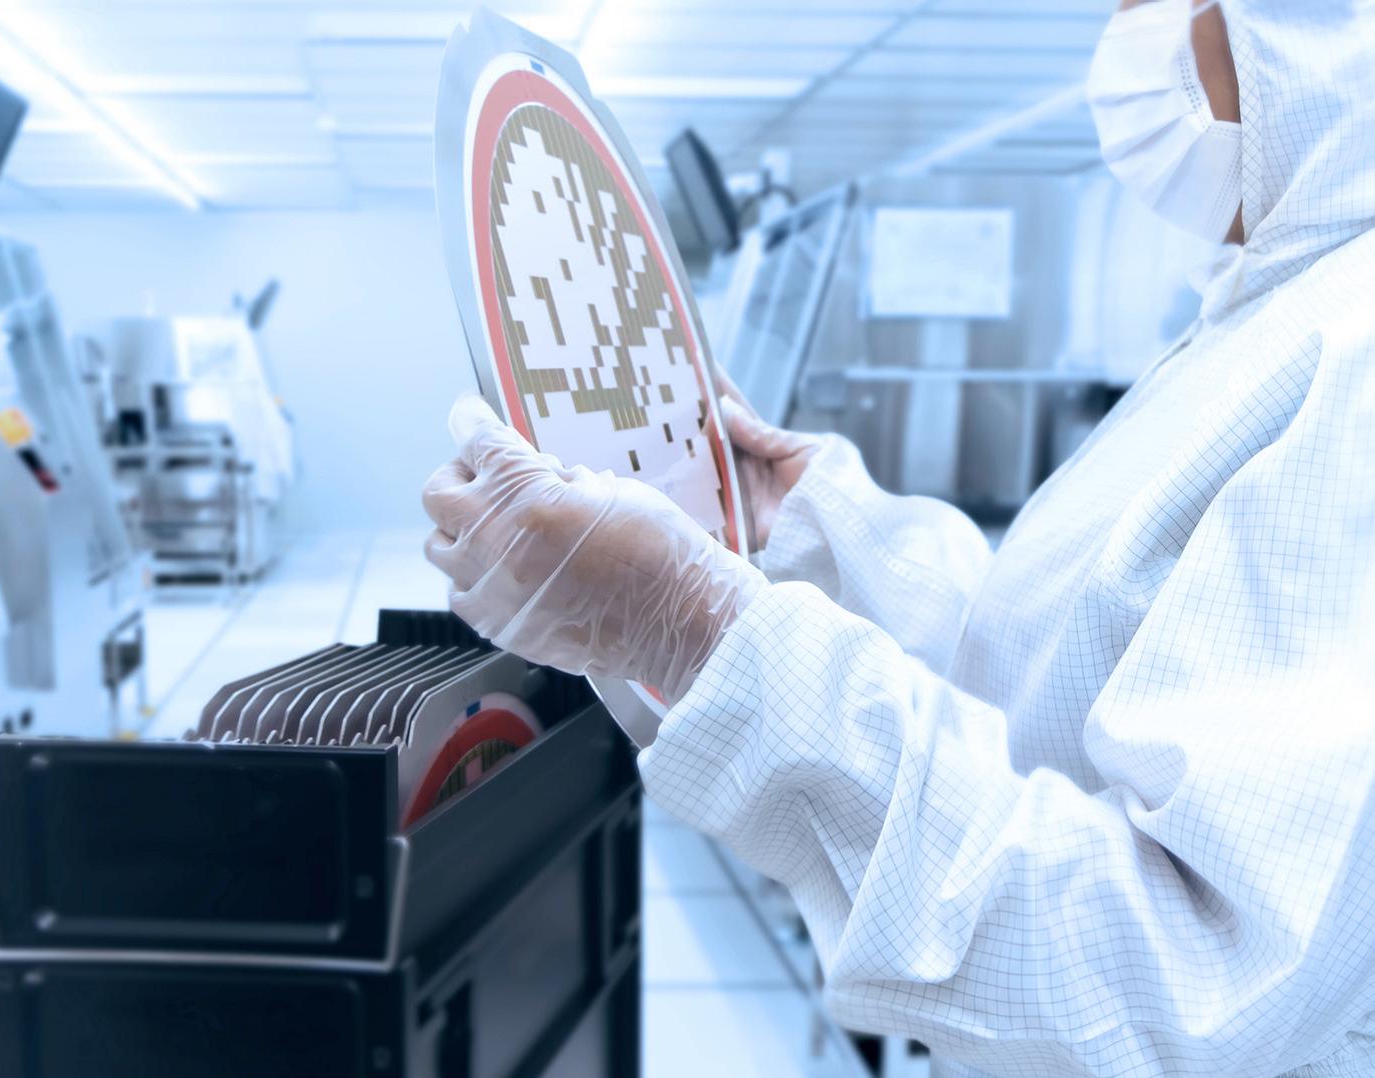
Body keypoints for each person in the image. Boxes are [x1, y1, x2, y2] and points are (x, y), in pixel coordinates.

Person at [423, 0, 1375, 1072]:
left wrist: (696, 626)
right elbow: (1056, 686)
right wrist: (819, 541)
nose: (1128, 24)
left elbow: (1174, 990)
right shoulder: (1273, 310)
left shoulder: (1356, 355)